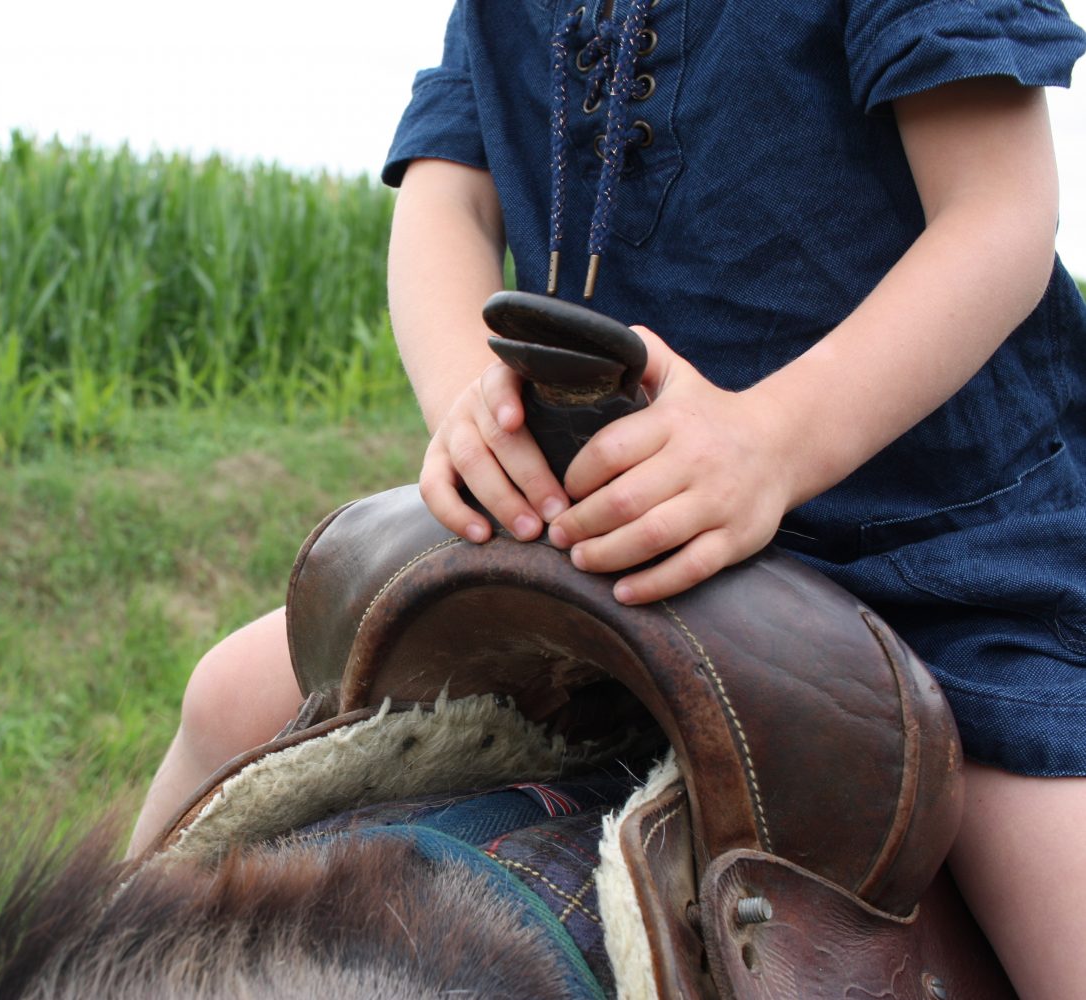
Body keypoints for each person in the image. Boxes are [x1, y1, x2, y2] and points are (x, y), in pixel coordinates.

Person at [132, 2, 1086, 994]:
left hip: (936, 556)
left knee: (1064, 922)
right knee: (227, 703)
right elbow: (447, 199)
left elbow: (1000, 212)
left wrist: (769, 444)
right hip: (605, 524)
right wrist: (471, 394)